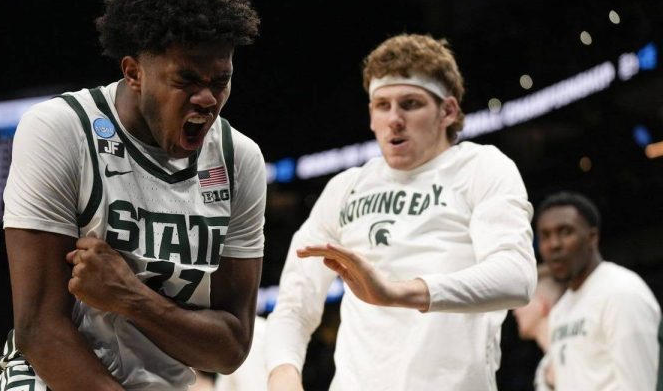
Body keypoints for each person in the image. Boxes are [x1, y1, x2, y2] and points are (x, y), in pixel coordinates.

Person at [0, 0, 266, 390]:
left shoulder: (239, 159)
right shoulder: (60, 129)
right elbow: (39, 330)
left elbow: (230, 348)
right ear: (134, 73)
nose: (208, 99)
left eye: (222, 80)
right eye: (187, 80)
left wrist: (131, 298)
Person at [264, 33, 537, 390]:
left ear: (448, 111)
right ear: (371, 115)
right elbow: (294, 305)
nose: (394, 119)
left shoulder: (480, 166)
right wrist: (282, 374)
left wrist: (396, 293)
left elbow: (516, 276)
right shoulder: (345, 187)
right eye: (382, 105)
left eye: (410, 104)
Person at [536, 191, 661, 390]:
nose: (554, 245)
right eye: (545, 236)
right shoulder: (561, 310)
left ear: (592, 238)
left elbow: (641, 385)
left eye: (565, 232)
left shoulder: (621, 292)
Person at [512, 264, 565, 391]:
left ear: (542, 305)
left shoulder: (572, 355)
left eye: (523, 302)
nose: (515, 311)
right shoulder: (543, 367)